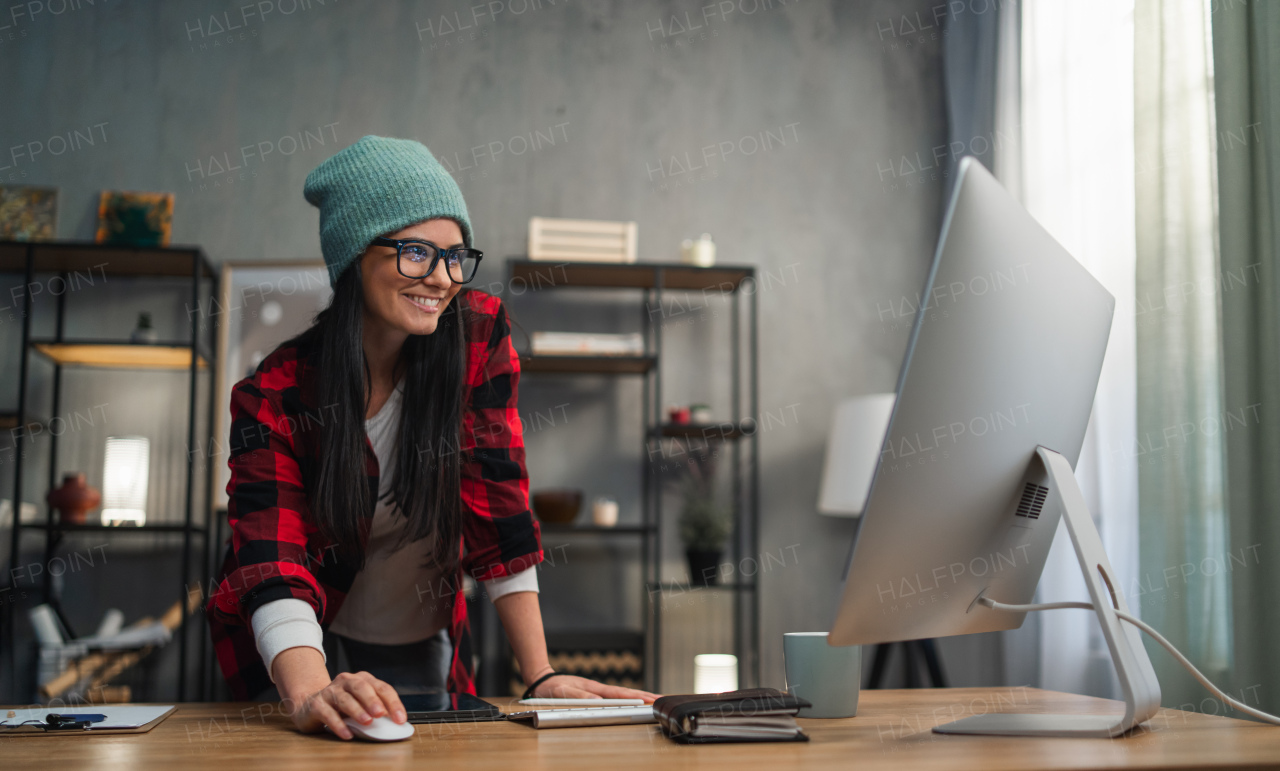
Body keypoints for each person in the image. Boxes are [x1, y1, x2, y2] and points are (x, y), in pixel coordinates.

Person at [206, 135, 656, 739]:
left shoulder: (475, 339)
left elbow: (498, 505)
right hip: (290, 637)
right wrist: (310, 690)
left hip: (415, 625)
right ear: (354, 257)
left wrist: (540, 674)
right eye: (416, 252)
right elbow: (272, 553)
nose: (442, 279)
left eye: (455, 256)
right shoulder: (276, 393)